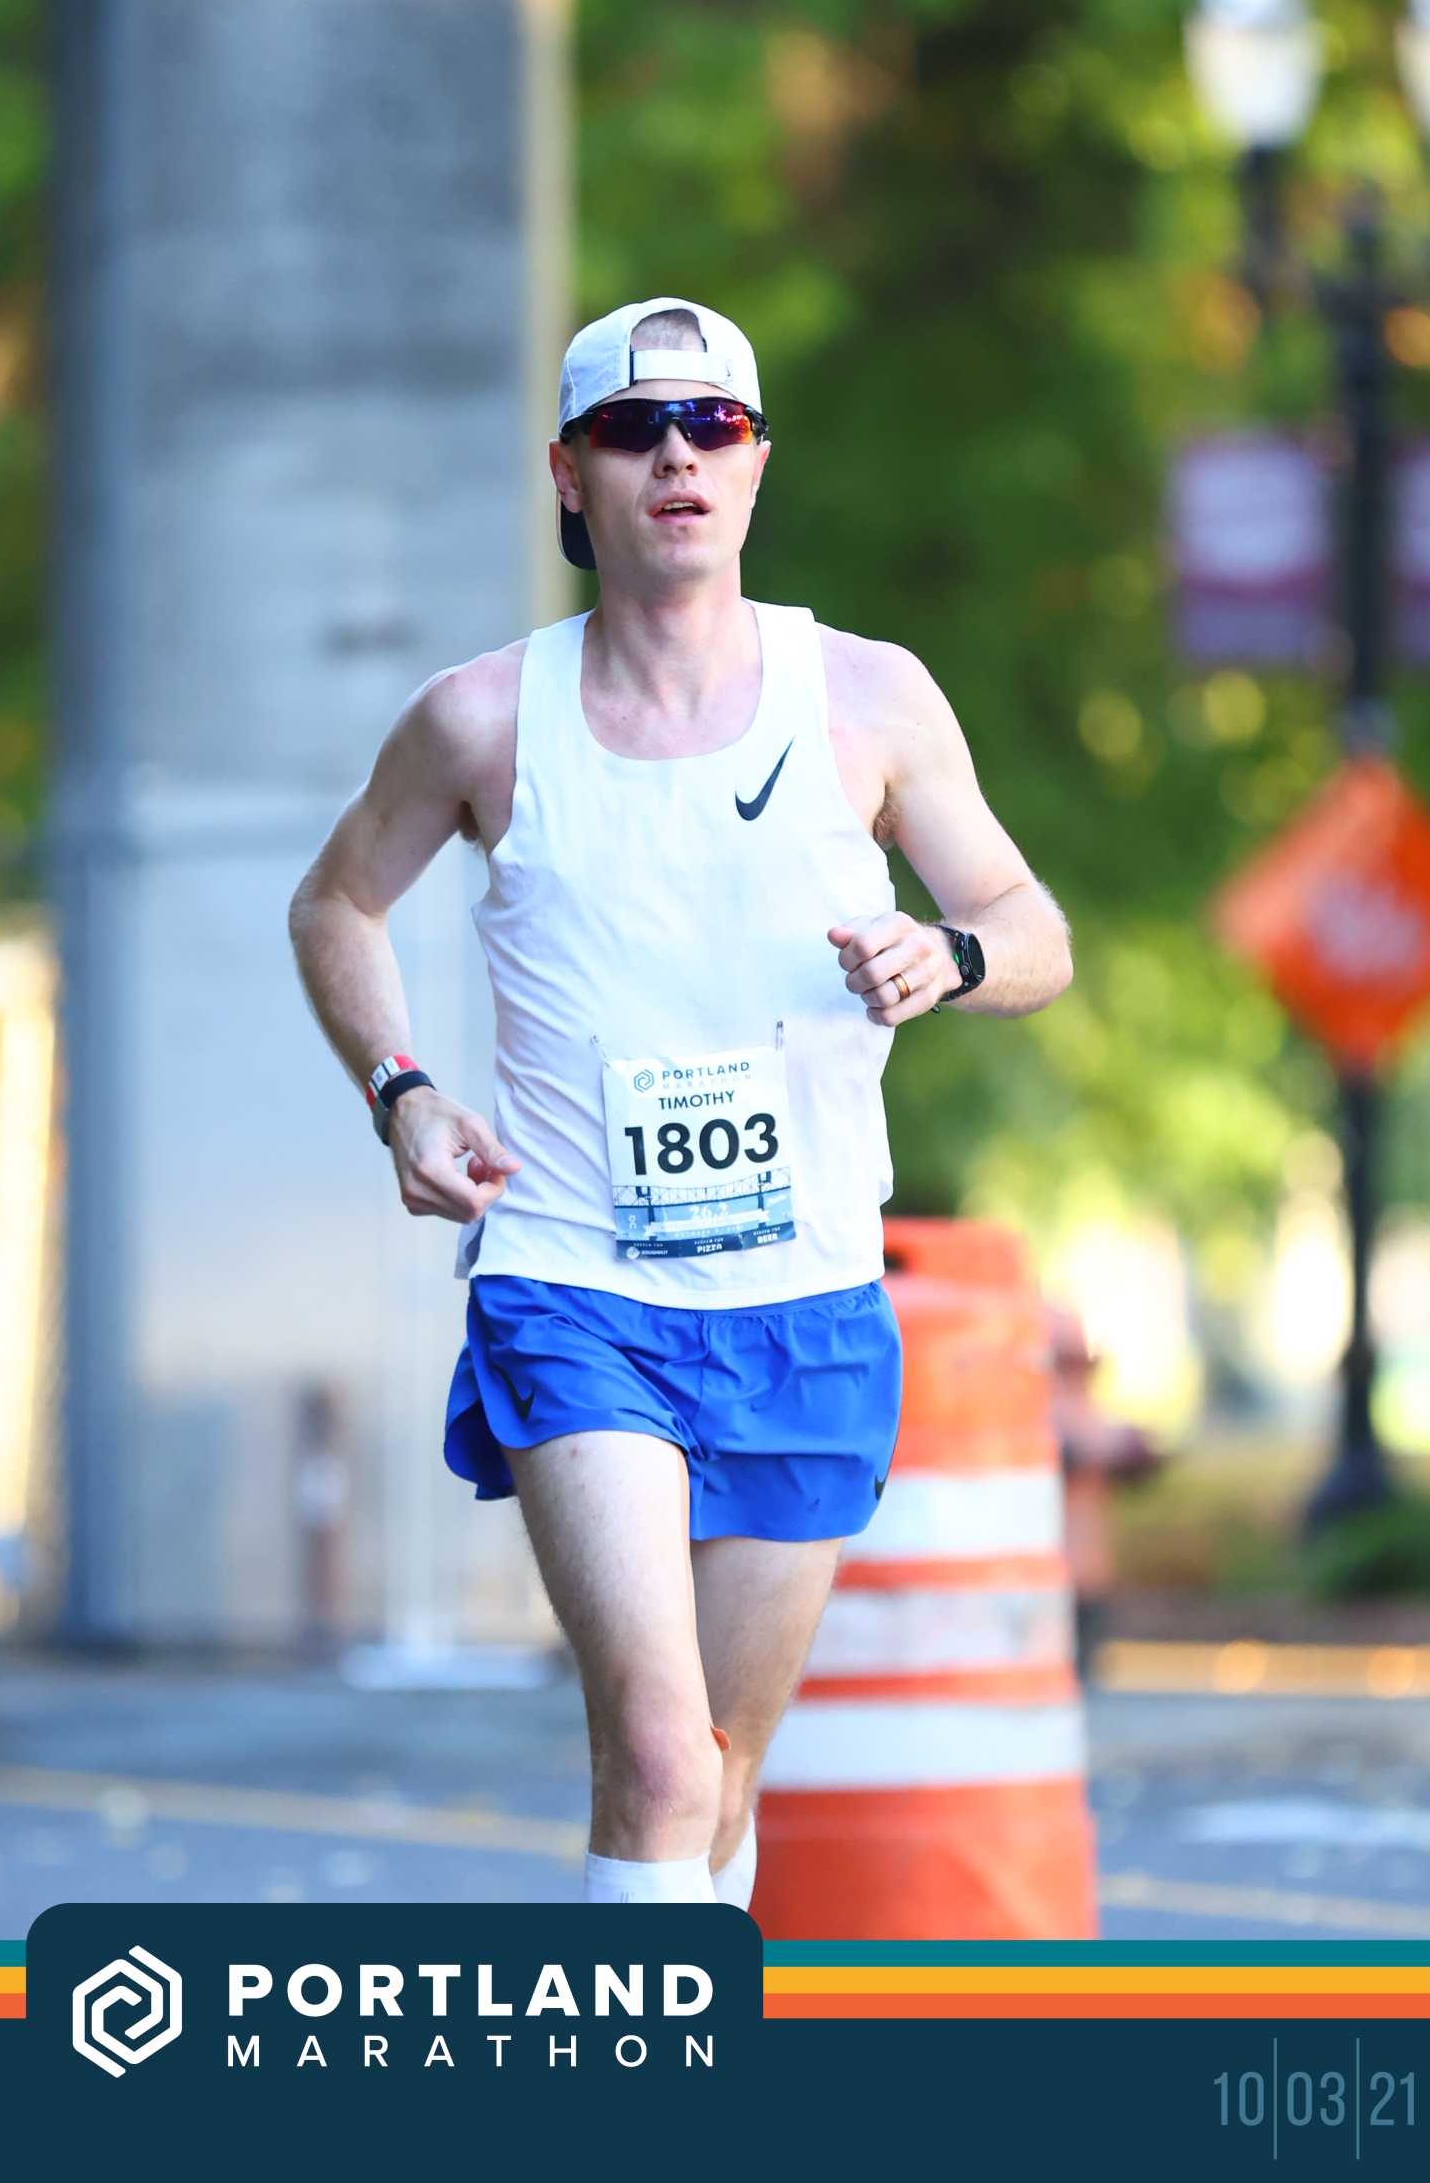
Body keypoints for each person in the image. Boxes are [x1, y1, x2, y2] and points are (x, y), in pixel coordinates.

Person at [289, 296, 1073, 1906]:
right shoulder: (481, 719)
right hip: (576, 1279)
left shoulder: (867, 698)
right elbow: (336, 904)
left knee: (717, 1773)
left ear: (758, 463)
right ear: (568, 475)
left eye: (712, 425)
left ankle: (683, 2014)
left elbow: (1033, 931)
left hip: (804, 1294)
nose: (676, 457)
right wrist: (402, 1092)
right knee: (657, 1756)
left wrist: (949, 956)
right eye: (633, 431)